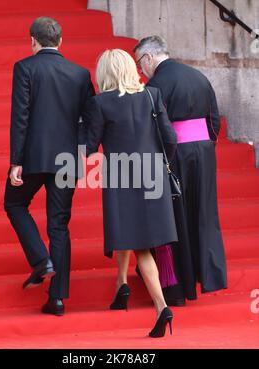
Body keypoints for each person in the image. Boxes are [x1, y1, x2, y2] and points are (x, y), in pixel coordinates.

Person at [4, 17, 95, 316]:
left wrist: (15, 161)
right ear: (60, 41)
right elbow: (90, 119)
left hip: (33, 157)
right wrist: (79, 149)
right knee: (59, 224)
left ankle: (41, 261)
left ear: (33, 41)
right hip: (67, 159)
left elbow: (21, 117)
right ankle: (57, 299)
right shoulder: (80, 74)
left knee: (14, 203)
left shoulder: (25, 68)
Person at [84, 49, 178, 337]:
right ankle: (121, 284)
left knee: (139, 245)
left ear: (105, 73)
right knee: (133, 236)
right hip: (153, 176)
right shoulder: (152, 95)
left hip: (122, 180)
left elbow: (88, 146)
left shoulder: (101, 103)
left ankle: (162, 307)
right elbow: (169, 139)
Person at [133, 35, 227, 305]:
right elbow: (214, 118)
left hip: (175, 156)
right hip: (204, 153)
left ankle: (179, 286)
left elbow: (156, 130)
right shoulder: (198, 75)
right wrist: (205, 147)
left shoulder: (156, 84)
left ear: (149, 57)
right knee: (204, 214)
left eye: (141, 64)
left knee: (177, 218)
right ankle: (207, 276)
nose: (141, 71)